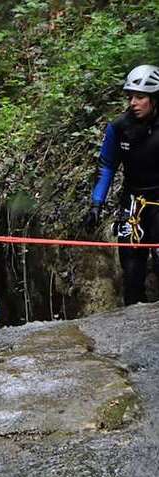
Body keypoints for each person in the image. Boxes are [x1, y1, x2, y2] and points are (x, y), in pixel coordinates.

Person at [83, 64, 159, 305]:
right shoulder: (119, 128)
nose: (133, 103)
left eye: (140, 97)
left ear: (154, 99)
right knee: (131, 266)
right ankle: (133, 314)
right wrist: (96, 204)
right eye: (130, 97)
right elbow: (107, 166)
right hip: (133, 202)